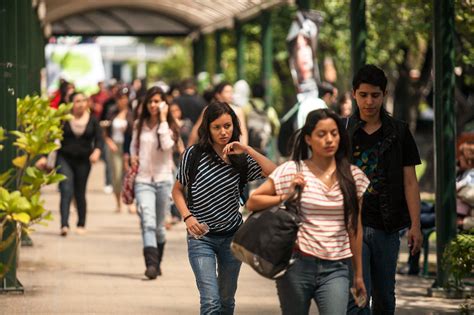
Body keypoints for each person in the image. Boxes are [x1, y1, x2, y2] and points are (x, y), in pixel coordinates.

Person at [247, 109, 369, 315]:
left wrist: (358, 274)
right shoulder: (292, 171)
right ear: (308, 139)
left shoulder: (354, 177)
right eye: (321, 134)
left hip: (336, 269)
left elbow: (355, 227)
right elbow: (253, 201)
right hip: (296, 266)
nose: (329, 140)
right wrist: (285, 196)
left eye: (334, 133)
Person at [172, 101, 276, 314]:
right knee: (210, 302)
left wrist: (247, 149)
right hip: (201, 239)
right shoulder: (193, 155)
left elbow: (275, 173)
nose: (223, 132)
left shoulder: (240, 158)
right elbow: (177, 191)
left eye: (227, 126)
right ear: (207, 128)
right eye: (217, 127)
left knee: (227, 300)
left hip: (232, 238)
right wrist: (187, 217)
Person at [346, 64, 422, 314]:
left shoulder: (399, 132)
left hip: (388, 227)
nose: (369, 101)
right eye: (364, 95)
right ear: (354, 94)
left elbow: (410, 181)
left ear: (384, 95)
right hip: (352, 226)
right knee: (358, 298)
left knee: (385, 298)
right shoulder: (343, 132)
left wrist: (415, 226)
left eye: (375, 95)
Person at [130, 86, 180, 280]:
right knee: (147, 221)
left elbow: (168, 146)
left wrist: (162, 120)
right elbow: (133, 146)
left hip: (163, 180)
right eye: (150, 101)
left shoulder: (169, 126)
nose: (153, 105)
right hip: (143, 180)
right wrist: (133, 158)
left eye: (157, 101)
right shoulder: (138, 124)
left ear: (163, 103)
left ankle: (157, 262)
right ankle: (150, 264)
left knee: (159, 226)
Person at [56, 92, 103, 236]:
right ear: (71, 104)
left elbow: (99, 139)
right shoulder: (64, 119)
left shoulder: (93, 120)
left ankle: (81, 223)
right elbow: (53, 137)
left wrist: (96, 152)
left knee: (80, 191)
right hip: (65, 158)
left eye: (83, 101)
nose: (81, 104)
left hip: (84, 160)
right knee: (66, 189)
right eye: (77, 101)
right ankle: (64, 224)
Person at [104, 87, 133, 213]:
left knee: (129, 175)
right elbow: (105, 130)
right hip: (114, 146)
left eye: (124, 98)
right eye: (120, 98)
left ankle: (130, 202)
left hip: (129, 146)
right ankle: (118, 202)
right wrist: (109, 142)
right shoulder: (111, 112)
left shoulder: (132, 113)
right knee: (116, 175)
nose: (122, 101)